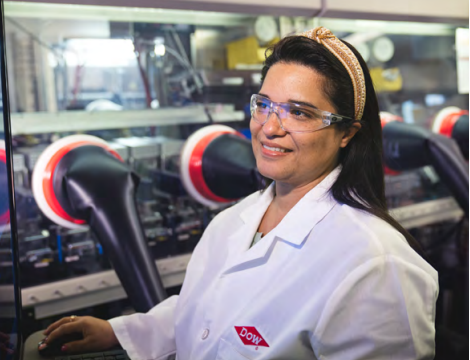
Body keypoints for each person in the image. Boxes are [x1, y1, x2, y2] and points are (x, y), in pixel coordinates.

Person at [40, 27, 438, 359]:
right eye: (264, 104)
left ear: (347, 133)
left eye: (298, 112)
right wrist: (124, 331)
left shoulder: (376, 264)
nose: (269, 127)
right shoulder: (234, 220)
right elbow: (211, 309)